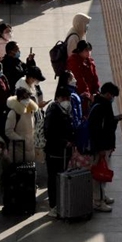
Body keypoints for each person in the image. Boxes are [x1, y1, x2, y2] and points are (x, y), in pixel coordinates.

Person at [88, 82, 122, 210]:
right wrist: (101, 148)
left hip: (104, 146)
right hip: (100, 147)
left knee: (102, 171)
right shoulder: (102, 106)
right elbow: (99, 130)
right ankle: (98, 201)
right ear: (108, 94)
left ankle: (102, 196)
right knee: (99, 173)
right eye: (113, 95)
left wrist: (115, 119)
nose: (113, 98)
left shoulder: (98, 104)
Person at [44, 86, 74, 218]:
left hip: (64, 152)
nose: (67, 101)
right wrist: (63, 142)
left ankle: (61, 203)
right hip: (54, 152)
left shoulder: (66, 110)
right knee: (53, 179)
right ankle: (53, 205)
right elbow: (49, 132)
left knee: (61, 177)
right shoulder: (53, 111)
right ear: (58, 98)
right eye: (64, 98)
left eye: (68, 98)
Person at [5, 87, 37, 162]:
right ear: (19, 99)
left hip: (30, 148)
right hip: (18, 150)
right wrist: (21, 140)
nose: (27, 100)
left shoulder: (30, 111)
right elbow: (8, 131)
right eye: (24, 98)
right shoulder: (13, 113)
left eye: (28, 97)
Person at [66, 40, 100, 113]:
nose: (89, 53)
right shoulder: (73, 62)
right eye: (86, 50)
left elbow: (95, 77)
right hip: (80, 94)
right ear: (80, 51)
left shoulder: (90, 61)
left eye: (89, 51)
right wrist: (88, 95)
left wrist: (96, 91)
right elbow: (79, 80)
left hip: (91, 93)